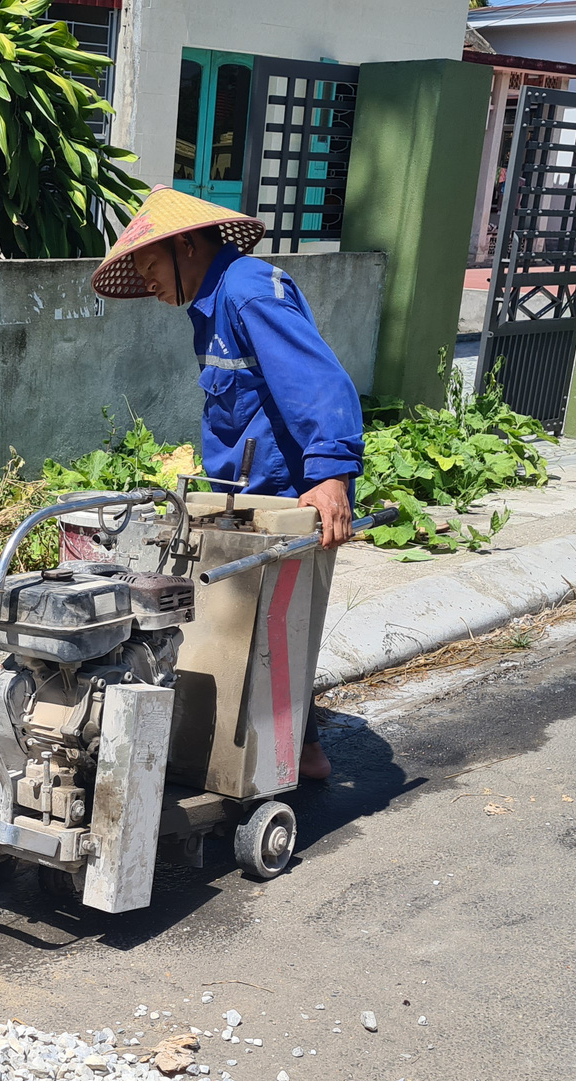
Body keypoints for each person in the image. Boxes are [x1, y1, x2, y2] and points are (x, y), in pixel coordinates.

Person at [91, 188, 365, 781]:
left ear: (186, 245)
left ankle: (289, 757)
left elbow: (317, 381)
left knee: (266, 629)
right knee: (246, 630)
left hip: (283, 505)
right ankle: (295, 751)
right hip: (240, 499)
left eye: (150, 268)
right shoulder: (210, 310)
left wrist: (330, 476)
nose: (151, 286)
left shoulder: (245, 292)